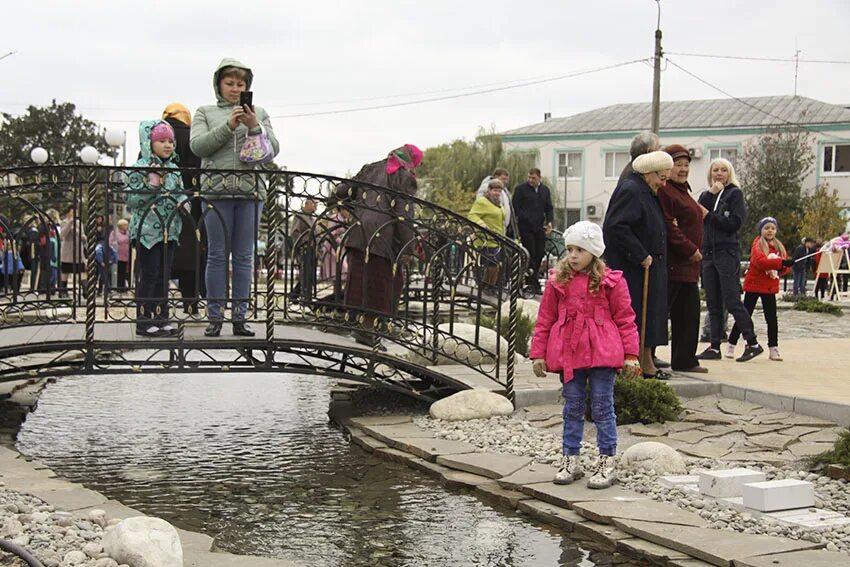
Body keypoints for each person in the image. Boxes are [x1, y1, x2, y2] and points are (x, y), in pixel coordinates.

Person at [529, 221, 639, 489]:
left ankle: (606, 459)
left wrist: (630, 354)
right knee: (573, 407)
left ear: (594, 252)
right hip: (570, 352)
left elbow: (625, 318)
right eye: (570, 249)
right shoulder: (558, 282)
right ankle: (571, 458)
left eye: (580, 249)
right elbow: (545, 318)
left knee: (602, 406)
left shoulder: (611, 281)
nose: (574, 255)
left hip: (602, 352)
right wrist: (538, 353)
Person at [190, 58, 280, 337]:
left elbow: (273, 149)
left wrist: (254, 126)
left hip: (251, 192)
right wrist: (228, 126)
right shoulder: (205, 112)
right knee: (217, 255)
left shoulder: (260, 113)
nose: (234, 88)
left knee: (244, 256)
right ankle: (215, 317)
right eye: (229, 83)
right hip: (216, 192)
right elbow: (198, 146)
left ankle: (240, 317)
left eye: (240, 84)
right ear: (218, 84)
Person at [335, 144, 421, 349]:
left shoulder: (370, 168)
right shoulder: (405, 177)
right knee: (384, 283)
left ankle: (359, 325)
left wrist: (351, 210)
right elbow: (404, 215)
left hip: (360, 233)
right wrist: (408, 248)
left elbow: (341, 190)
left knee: (360, 277)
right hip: (384, 238)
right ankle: (368, 329)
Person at [602, 151, 671, 379]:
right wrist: (640, 254)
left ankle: (646, 360)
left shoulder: (646, 190)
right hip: (634, 267)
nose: (663, 183)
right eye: (662, 177)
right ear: (649, 173)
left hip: (650, 266)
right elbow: (615, 226)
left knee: (651, 315)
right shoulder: (631, 189)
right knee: (637, 315)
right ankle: (637, 364)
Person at [697, 158, 763, 363]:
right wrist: (711, 195)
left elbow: (734, 223)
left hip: (726, 253)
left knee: (732, 300)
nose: (719, 174)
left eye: (723, 170)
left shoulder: (735, 194)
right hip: (708, 254)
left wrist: (710, 217)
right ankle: (714, 345)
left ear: (729, 173)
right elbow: (698, 212)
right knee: (713, 303)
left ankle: (752, 343)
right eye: (715, 170)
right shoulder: (707, 196)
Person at [126, 120, 187, 337]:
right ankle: (143, 320)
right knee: (150, 274)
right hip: (146, 233)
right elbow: (131, 200)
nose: (168, 145)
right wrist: (150, 186)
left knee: (164, 275)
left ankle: (162, 318)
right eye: (162, 141)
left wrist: (183, 201)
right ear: (149, 142)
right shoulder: (139, 168)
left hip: (169, 230)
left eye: (171, 141)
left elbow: (179, 191)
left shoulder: (173, 169)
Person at [657, 145, 708, 373]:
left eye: (686, 164)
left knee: (688, 314)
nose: (683, 169)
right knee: (662, 311)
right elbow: (669, 227)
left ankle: (684, 358)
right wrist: (689, 249)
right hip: (675, 263)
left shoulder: (683, 191)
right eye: (678, 165)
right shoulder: (666, 190)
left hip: (688, 266)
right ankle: (647, 356)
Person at [726, 217, 793, 361]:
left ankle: (773, 348)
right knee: (744, 315)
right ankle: (731, 344)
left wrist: (785, 266)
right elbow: (761, 262)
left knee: (771, 319)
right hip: (754, 285)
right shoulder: (757, 245)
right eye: (767, 228)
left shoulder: (779, 247)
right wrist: (781, 263)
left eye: (773, 228)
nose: (770, 231)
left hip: (769, 287)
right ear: (761, 230)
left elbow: (783, 269)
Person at [163, 103, 206, 315]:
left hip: (161, 204)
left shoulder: (157, 135)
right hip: (191, 204)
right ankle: (190, 303)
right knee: (190, 255)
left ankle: (155, 306)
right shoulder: (192, 136)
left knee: (162, 254)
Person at [512, 168, 553, 294]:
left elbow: (549, 208)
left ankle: (533, 280)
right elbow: (515, 208)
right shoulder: (521, 189)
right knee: (530, 254)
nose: (530, 180)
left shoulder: (545, 190)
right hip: (526, 228)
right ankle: (531, 283)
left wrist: (549, 222)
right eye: (529, 177)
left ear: (539, 178)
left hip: (539, 227)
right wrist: (522, 220)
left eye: (533, 178)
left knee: (540, 253)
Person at [468, 179, 506, 288]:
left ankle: (490, 287)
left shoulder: (498, 203)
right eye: (495, 190)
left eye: (499, 191)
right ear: (489, 190)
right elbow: (472, 215)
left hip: (497, 239)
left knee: (495, 265)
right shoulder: (482, 202)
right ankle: (485, 286)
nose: (497, 193)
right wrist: (481, 224)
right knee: (490, 264)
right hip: (486, 239)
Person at [288, 198, 317, 301]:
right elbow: (295, 233)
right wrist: (304, 242)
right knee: (305, 272)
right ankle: (300, 294)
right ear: (307, 204)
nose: (316, 206)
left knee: (310, 273)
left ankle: (297, 294)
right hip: (303, 248)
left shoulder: (312, 218)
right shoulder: (300, 216)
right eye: (314, 204)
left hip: (312, 248)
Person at [476, 168, 517, 237]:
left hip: (501, 226)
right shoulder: (486, 187)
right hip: (490, 225)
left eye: (507, 179)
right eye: (503, 179)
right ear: (495, 177)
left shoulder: (504, 190)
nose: (505, 181)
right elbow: (480, 204)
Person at [59, 203, 86, 298]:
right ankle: (63, 291)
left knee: (82, 271)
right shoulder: (64, 222)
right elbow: (62, 234)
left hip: (78, 251)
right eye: (73, 211)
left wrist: (81, 234)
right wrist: (70, 222)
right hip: (67, 251)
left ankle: (85, 289)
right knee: (65, 271)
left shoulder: (80, 223)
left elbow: (82, 235)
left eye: (77, 211)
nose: (75, 213)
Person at [109, 219, 131, 292]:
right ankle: (117, 287)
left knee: (124, 272)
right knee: (118, 272)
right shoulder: (115, 233)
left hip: (126, 256)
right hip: (117, 256)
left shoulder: (128, 233)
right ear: (121, 226)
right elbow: (110, 243)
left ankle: (122, 287)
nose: (127, 226)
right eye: (125, 225)